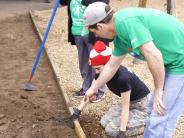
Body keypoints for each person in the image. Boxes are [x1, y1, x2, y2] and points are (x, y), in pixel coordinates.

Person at [82, 2, 184, 138]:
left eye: (94, 32)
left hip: (180, 63)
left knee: (160, 116)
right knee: (152, 111)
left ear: (100, 26)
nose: (95, 36)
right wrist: (93, 88)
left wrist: (159, 89)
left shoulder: (126, 22)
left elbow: (154, 55)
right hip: (172, 61)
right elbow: (112, 66)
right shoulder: (120, 35)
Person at [70, 41, 150, 138]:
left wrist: (122, 132)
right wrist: (78, 111)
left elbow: (125, 107)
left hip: (142, 105)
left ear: (108, 65)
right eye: (95, 69)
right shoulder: (101, 73)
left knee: (111, 130)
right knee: (104, 121)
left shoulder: (122, 78)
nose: (96, 72)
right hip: (131, 104)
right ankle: (134, 120)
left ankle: (145, 123)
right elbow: (91, 91)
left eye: (98, 68)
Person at [60, 0, 106, 102]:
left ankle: (99, 90)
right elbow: (63, 2)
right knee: (83, 62)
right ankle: (86, 87)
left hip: (92, 31)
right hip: (77, 31)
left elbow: (103, 4)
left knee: (96, 61)